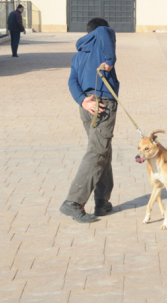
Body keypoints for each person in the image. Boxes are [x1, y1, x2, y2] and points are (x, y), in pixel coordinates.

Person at [60, 17, 119, 223]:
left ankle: (102, 200)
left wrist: (82, 101)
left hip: (87, 105)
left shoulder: (79, 54)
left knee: (102, 149)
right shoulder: (103, 36)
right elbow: (104, 31)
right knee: (97, 151)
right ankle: (73, 202)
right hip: (102, 105)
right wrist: (110, 62)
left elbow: (72, 81)